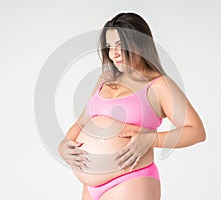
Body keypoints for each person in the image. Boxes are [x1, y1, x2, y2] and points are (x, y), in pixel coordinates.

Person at [58, 12, 206, 200]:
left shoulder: (159, 85)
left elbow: (197, 131)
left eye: (120, 46)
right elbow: (81, 123)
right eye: (110, 47)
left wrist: (152, 139)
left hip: (132, 180)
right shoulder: (105, 80)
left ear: (141, 45)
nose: (114, 54)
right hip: (90, 187)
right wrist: (63, 146)